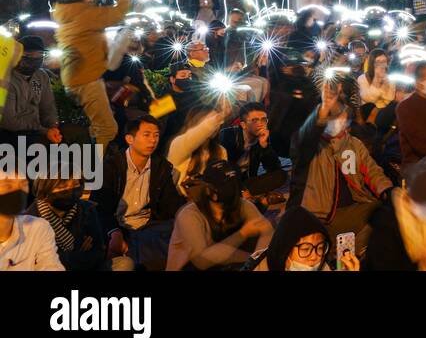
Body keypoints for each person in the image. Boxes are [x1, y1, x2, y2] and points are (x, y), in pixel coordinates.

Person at [289, 80, 394, 247]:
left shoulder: (353, 144)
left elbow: (372, 171)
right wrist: (323, 110)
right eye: (331, 115)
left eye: (340, 115)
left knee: (388, 213)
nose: (336, 119)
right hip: (318, 214)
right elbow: (306, 137)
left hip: (354, 207)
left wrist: (387, 190)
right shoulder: (309, 144)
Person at [93, 115, 185, 271]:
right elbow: (100, 207)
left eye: (156, 135)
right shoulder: (111, 166)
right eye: (147, 135)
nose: (153, 140)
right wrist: (114, 231)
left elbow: (171, 202)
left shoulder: (161, 166)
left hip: (148, 226)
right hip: (119, 226)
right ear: (130, 139)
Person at [52, 0, 132, 145]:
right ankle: (96, 168)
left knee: (97, 127)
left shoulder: (65, 11)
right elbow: (119, 12)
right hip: (87, 80)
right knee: (108, 129)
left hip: (74, 78)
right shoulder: (86, 14)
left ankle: (86, 157)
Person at [167, 160, 273, 271]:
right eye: (226, 186)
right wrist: (242, 234)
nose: (232, 191)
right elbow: (201, 260)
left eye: (233, 184)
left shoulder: (241, 204)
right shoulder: (190, 215)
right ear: (208, 190)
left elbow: (266, 231)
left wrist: (256, 261)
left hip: (226, 264)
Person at [27, 176, 108, 271]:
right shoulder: (30, 220)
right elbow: (36, 263)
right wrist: (78, 254)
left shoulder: (88, 210)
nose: (70, 192)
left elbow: (98, 252)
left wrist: (63, 258)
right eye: (62, 186)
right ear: (45, 189)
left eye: (75, 185)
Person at [251, 205, 359, 272]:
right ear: (285, 250)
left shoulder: (322, 266)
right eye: (305, 249)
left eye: (320, 248)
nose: (314, 257)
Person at [219, 102, 287, 198]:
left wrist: (264, 146)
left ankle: (240, 194)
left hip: (246, 181)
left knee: (281, 175)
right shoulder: (227, 135)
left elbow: (274, 168)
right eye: (254, 120)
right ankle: (239, 194)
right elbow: (225, 167)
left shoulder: (263, 137)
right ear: (243, 125)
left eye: (263, 120)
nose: (260, 124)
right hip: (225, 180)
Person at [0, 36, 60, 145]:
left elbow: (48, 106)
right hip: (9, 134)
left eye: (39, 55)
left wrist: (53, 127)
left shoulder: (41, 76)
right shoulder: (6, 78)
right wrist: (43, 130)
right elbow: (8, 122)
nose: (35, 58)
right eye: (28, 55)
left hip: (37, 132)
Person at [0, 173, 63, 271]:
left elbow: (51, 266)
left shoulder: (37, 228)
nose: (18, 191)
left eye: (23, 184)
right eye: (8, 185)